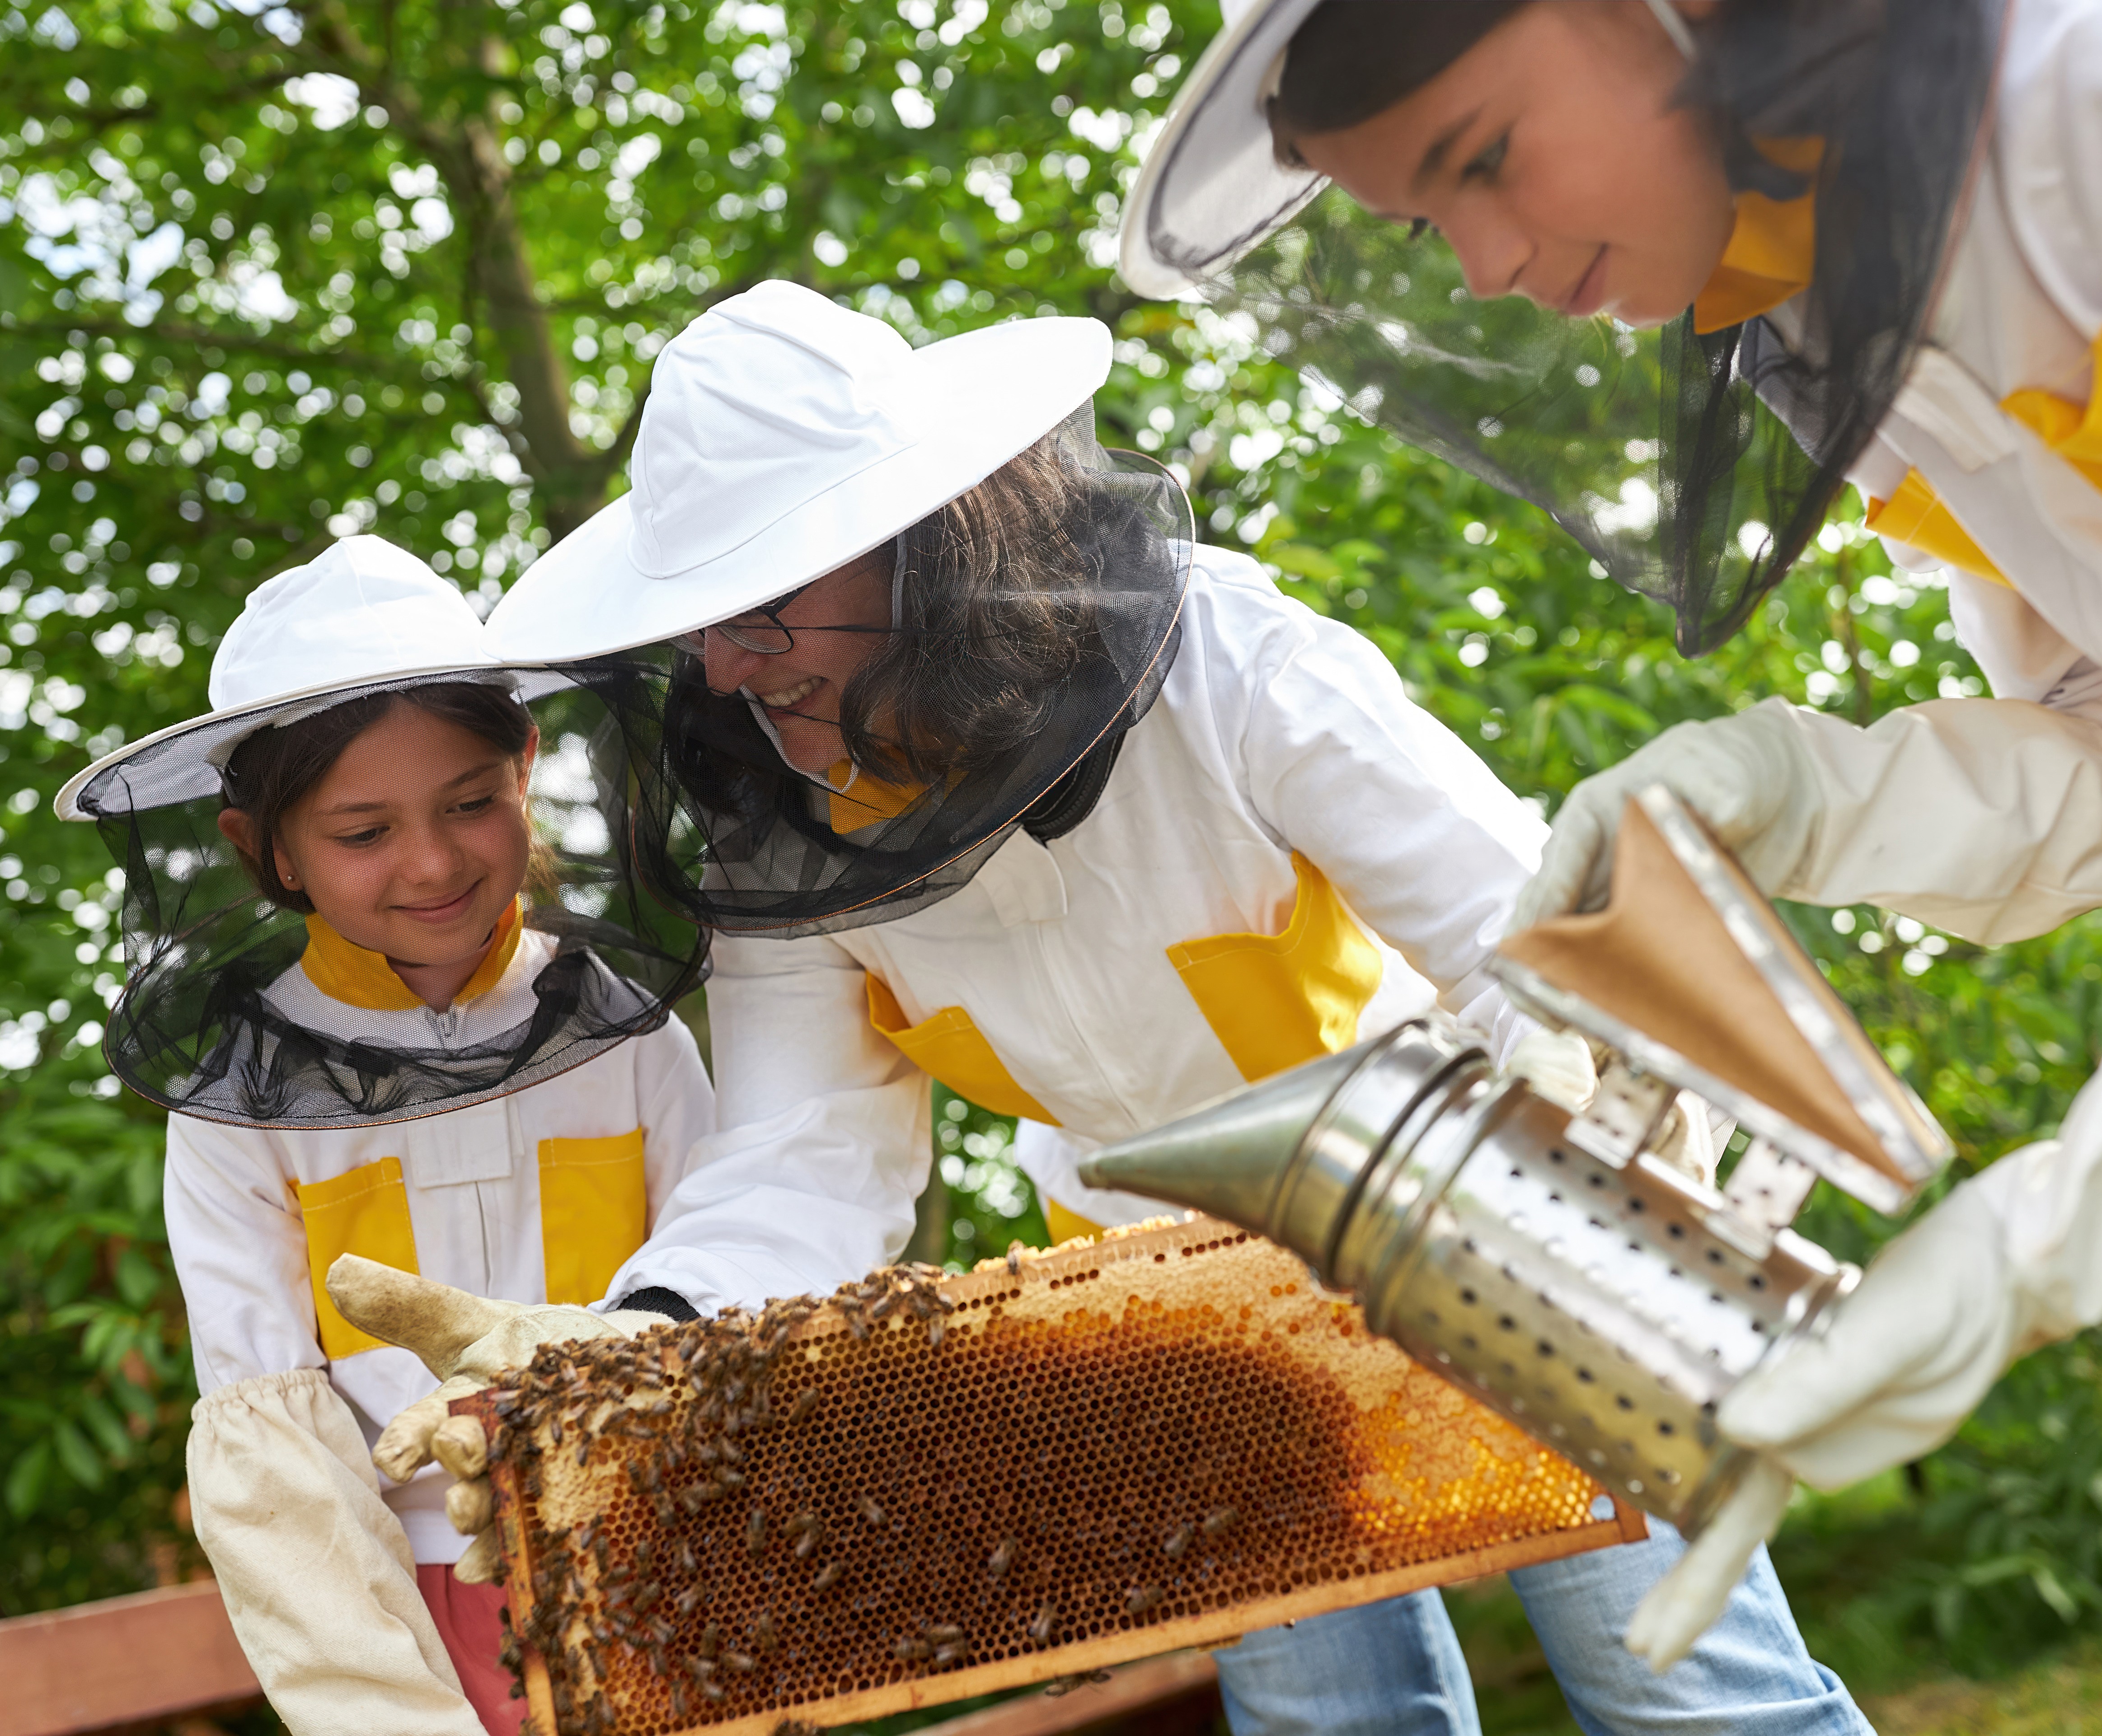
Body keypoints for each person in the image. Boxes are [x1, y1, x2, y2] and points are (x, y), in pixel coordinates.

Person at [1114, 0, 2102, 1663]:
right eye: (1423, 220)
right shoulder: (1850, 303)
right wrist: (1814, 792)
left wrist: (2050, 1233)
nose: (1480, 263)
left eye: (1481, 158)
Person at [462, 278, 1873, 1735]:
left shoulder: (1228, 665)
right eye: (702, 623)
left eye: (766, 608)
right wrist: (644, 1342)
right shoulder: (784, 838)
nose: (729, 669)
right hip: (1182, 1304)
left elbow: (1526, 923)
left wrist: (1591, 1139)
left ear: (919, 548)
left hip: (1473, 1203)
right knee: (1331, 1727)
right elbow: (801, 1154)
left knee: (1690, 1691)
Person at [54, 538, 715, 1736]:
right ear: (265, 846)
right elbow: (277, 1457)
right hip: (423, 1611)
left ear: (525, 768)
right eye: (363, 831)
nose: (432, 860)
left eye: (470, 802)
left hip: (674, 1563)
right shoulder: (235, 1109)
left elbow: (729, 1302)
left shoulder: (627, 1036)